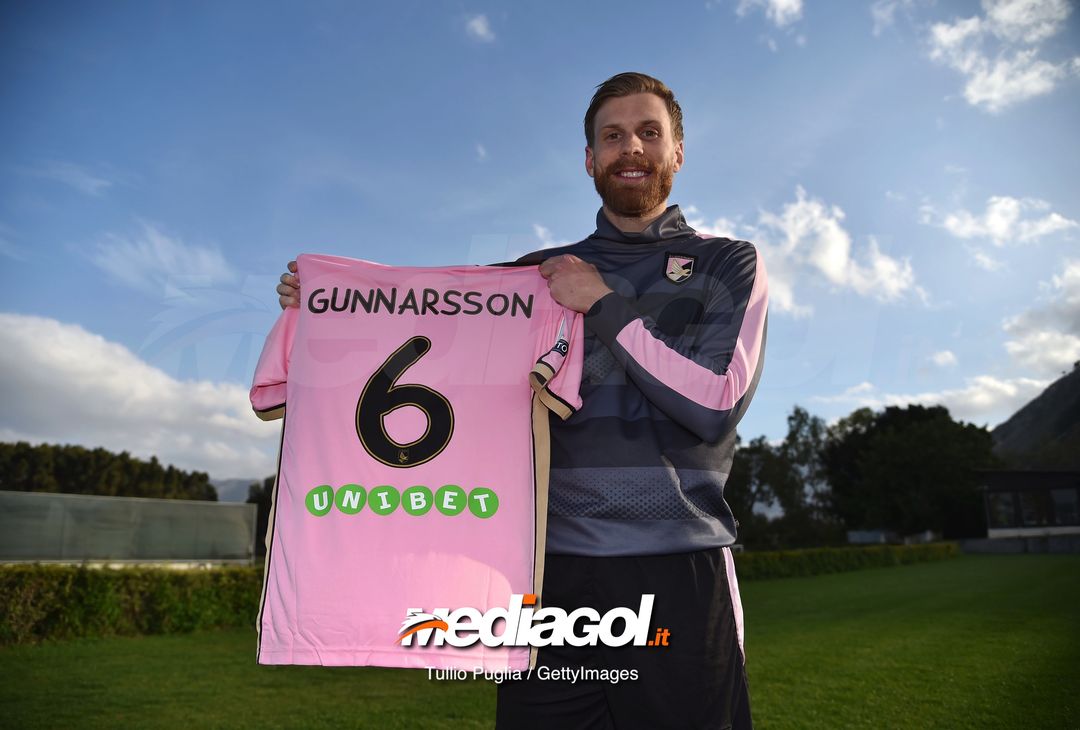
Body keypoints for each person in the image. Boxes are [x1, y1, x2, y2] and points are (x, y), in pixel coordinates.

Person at [275, 72, 766, 730]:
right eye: (612, 136)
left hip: (678, 569)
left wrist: (603, 306)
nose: (631, 148)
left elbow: (714, 406)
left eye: (650, 133)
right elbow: (423, 323)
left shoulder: (727, 263)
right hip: (550, 579)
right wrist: (329, 311)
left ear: (678, 151)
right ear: (590, 160)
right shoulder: (534, 275)